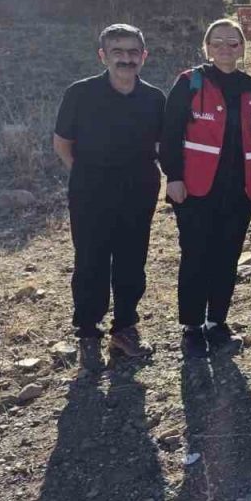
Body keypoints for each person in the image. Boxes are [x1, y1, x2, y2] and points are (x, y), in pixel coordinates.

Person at [53, 24, 165, 370]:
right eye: (118, 52)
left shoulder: (155, 98)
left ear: (143, 56)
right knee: (91, 261)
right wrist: (88, 176)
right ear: (103, 55)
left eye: (133, 52)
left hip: (139, 192)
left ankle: (125, 329)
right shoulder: (80, 93)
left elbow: (163, 146)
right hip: (90, 192)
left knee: (132, 260)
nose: (126, 59)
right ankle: (88, 333)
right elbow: (62, 143)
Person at [160, 19, 251, 359]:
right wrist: (173, 176)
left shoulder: (250, 87)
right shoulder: (190, 82)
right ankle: (191, 327)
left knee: (226, 258)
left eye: (233, 43)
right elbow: (170, 132)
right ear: (206, 46)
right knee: (196, 255)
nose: (225, 48)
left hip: (238, 192)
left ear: (242, 47)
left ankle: (216, 322)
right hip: (194, 190)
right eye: (218, 42)